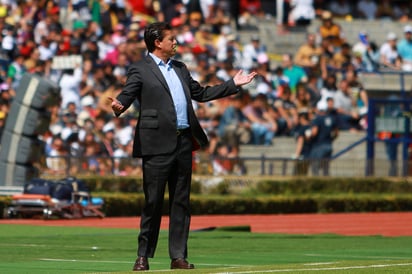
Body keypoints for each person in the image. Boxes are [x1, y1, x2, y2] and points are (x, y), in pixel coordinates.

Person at [109, 22, 257, 271]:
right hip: (155, 145)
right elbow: (128, 94)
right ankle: (143, 255)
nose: (176, 43)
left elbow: (201, 93)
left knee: (181, 202)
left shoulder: (180, 68)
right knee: (153, 202)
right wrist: (120, 105)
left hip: (183, 142)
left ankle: (178, 256)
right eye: (171, 39)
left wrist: (233, 84)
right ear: (158, 43)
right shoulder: (140, 69)